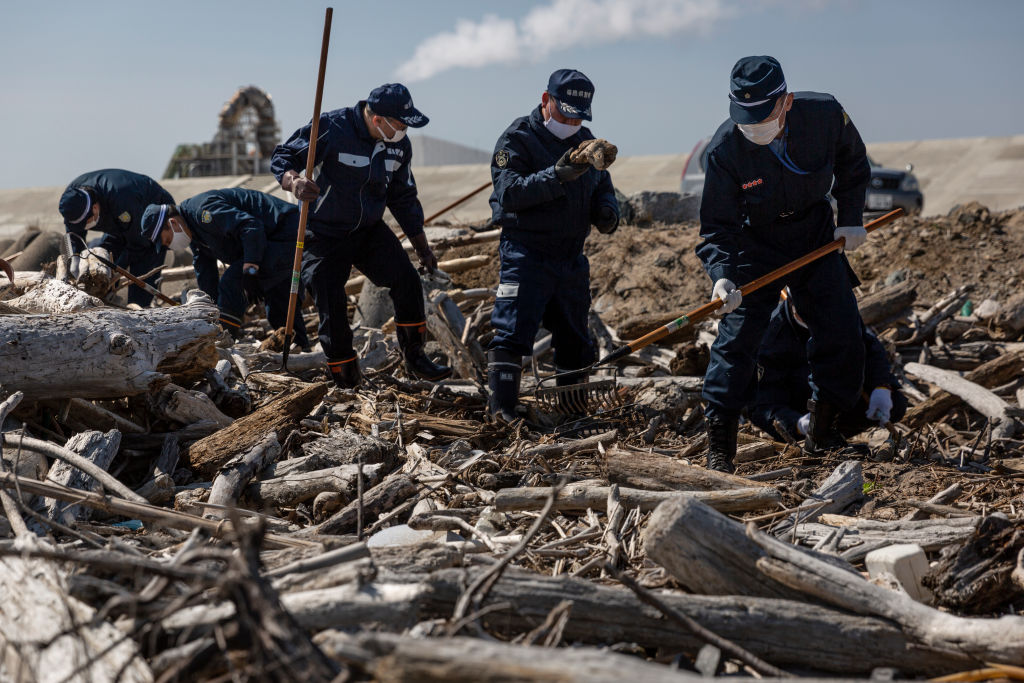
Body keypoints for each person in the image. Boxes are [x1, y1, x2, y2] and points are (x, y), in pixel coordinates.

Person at [696, 55, 871, 472]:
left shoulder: (825, 115)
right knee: (737, 340)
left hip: (815, 235)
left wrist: (850, 217)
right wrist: (722, 277)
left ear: (786, 101)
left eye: (762, 115)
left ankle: (823, 432)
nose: (753, 125)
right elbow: (717, 227)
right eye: (745, 117)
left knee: (842, 329)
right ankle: (720, 446)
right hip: (755, 243)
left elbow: (853, 163)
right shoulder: (724, 150)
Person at [270, 83, 451, 389]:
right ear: (377, 119)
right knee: (329, 294)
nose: (404, 131)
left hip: (367, 229)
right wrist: (294, 181)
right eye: (401, 124)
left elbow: (403, 198)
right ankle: (345, 375)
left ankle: (415, 357)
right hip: (324, 232)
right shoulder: (332, 127)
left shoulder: (398, 145)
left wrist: (423, 248)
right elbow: (283, 156)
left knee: (406, 279)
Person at [486, 68, 620, 422]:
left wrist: (607, 210)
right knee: (512, 330)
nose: (572, 123)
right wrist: (556, 175)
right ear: (546, 100)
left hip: (571, 257)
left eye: (579, 117)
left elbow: (603, 185)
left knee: (576, 339)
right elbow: (509, 192)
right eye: (565, 115)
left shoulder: (586, 141)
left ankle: (572, 413)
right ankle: (502, 410)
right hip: (526, 251)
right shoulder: (517, 139)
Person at [140, 189, 310, 349]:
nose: (169, 246)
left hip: (287, 231)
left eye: (167, 240)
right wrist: (210, 309)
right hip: (271, 241)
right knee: (278, 306)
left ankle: (223, 342)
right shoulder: (196, 237)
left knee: (231, 282)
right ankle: (300, 349)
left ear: (173, 223)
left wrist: (251, 268)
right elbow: (205, 273)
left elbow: (250, 226)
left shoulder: (203, 212)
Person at [749, 289, 907, 443]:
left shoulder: (838, 310)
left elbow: (868, 347)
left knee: (895, 404)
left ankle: (834, 434)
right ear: (793, 305)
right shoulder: (769, 337)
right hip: (801, 406)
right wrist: (797, 424)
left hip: (839, 394)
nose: (817, 317)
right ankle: (818, 437)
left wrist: (881, 386)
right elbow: (762, 403)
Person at [58, 169, 174, 306]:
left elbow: (138, 243)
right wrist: (75, 260)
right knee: (102, 261)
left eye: (86, 223)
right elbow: (74, 237)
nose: (85, 227)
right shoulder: (71, 201)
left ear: (95, 208)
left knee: (142, 262)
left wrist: (116, 269)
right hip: (117, 221)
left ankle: (141, 308)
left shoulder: (121, 198)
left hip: (152, 214)